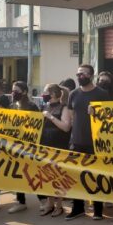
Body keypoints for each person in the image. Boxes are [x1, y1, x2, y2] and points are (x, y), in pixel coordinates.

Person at [63, 64, 108, 221]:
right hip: (77, 141)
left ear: (91, 76)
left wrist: (98, 113)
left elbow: (110, 119)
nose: (79, 76)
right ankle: (78, 208)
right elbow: (71, 117)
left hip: (96, 143)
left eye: (82, 74)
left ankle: (97, 209)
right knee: (76, 176)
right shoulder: (73, 94)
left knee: (96, 176)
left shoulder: (102, 94)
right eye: (78, 74)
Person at [7, 81, 40, 214]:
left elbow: (36, 126)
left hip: (29, 145)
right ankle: (21, 201)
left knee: (33, 173)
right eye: (13, 90)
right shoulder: (11, 106)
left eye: (17, 90)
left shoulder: (32, 106)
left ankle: (42, 200)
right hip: (15, 146)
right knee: (17, 173)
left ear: (24, 92)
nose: (14, 93)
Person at [39, 83, 71, 217]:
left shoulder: (63, 108)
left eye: (45, 92)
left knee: (58, 176)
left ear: (52, 94)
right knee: (47, 176)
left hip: (59, 146)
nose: (43, 94)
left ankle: (59, 205)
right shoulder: (44, 106)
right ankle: (50, 203)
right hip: (45, 146)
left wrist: (51, 117)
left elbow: (66, 127)